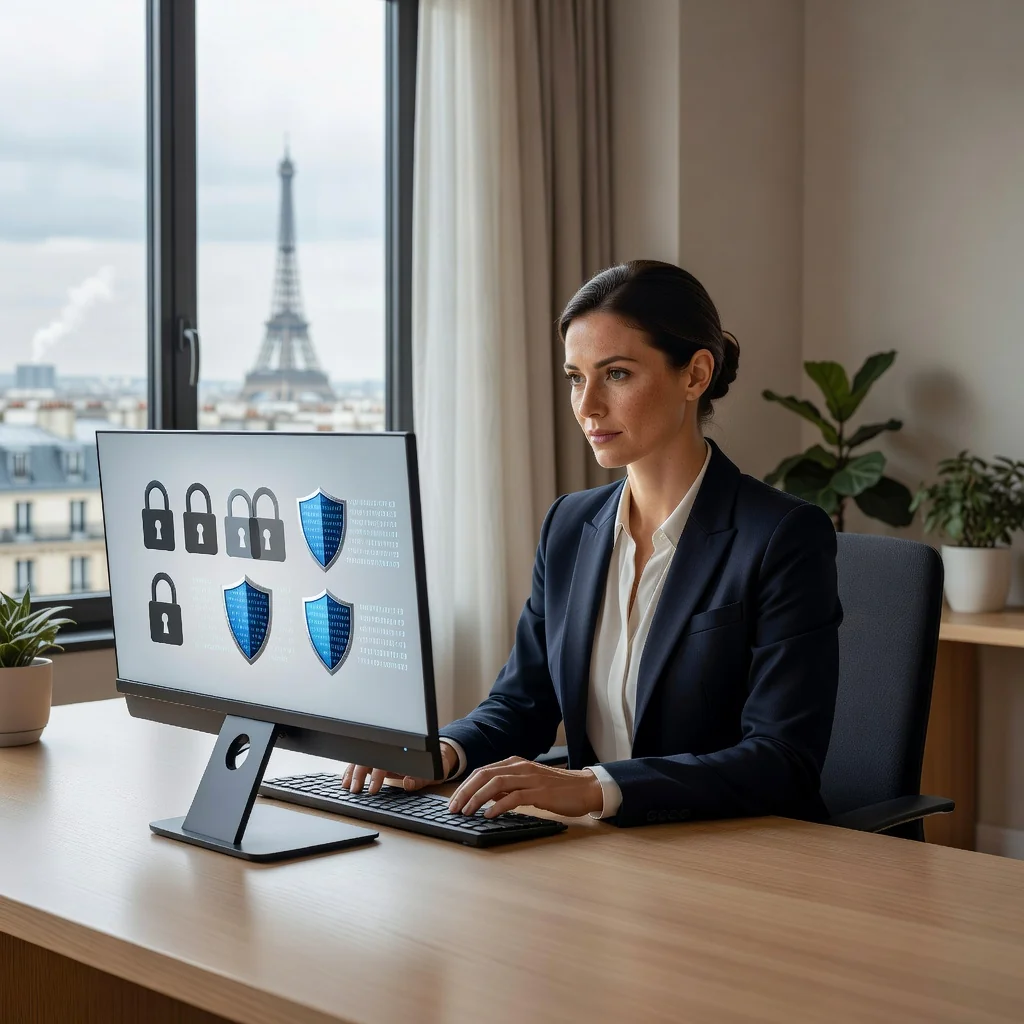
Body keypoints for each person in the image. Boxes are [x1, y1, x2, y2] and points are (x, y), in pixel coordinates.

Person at [342, 260, 842, 826]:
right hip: (603, 851)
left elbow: (782, 760)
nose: (587, 406)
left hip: (738, 850)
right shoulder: (568, 526)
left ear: (695, 375)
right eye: (576, 378)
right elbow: (522, 704)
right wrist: (441, 751)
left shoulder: (782, 536)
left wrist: (594, 787)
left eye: (617, 374)